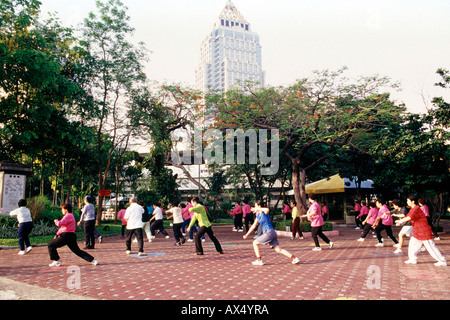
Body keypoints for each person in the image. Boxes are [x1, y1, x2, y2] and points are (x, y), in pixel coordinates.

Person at [243, 200, 300, 266]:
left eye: (255, 206)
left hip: (269, 232)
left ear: (259, 206)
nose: (254, 207)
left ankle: (259, 260)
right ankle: (294, 258)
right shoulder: (258, 215)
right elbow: (253, 226)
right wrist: (246, 235)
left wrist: (257, 209)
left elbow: (267, 209)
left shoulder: (265, 212)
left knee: (255, 243)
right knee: (278, 250)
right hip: (271, 233)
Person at [395, 195, 447, 266]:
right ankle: (413, 259)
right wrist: (400, 221)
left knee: (431, 247)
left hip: (424, 231)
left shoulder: (416, 209)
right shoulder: (412, 209)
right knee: (412, 244)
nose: (407, 202)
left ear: (413, 201)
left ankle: (442, 261)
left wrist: (400, 221)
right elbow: (407, 216)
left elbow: (409, 217)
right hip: (417, 231)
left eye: (408, 201)